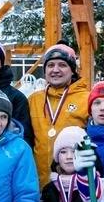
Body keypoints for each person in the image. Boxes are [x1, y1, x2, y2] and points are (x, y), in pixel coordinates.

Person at [27, 42, 89, 185]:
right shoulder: (34, 100)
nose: (55, 70)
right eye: (50, 65)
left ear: (73, 70)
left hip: (74, 185)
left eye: (62, 65)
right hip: (39, 185)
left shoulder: (86, 99)